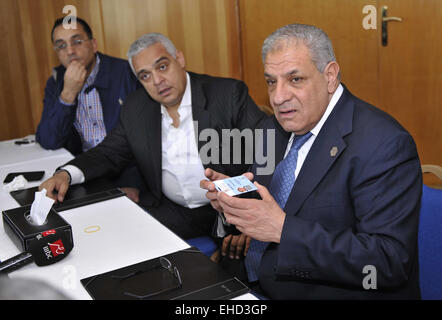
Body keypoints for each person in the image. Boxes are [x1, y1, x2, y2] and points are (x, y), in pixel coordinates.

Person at [201, 23, 422, 299]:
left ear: (330, 76)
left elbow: (388, 262)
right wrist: (236, 198)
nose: (279, 97)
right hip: (254, 283)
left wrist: (283, 230)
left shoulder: (384, 145)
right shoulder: (273, 129)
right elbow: (274, 205)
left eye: (295, 79)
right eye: (271, 81)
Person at [39, 33, 266, 244]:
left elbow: (269, 154)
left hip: (228, 209)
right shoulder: (136, 108)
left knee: (241, 270)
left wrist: (249, 213)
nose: (157, 81)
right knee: (115, 245)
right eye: (145, 75)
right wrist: (65, 174)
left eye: (163, 67)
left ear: (180, 58)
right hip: (171, 210)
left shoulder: (227, 95)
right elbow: (108, 153)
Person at [36, 16, 143, 201]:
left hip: (128, 174)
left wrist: (134, 184)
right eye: (61, 45)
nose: (70, 51)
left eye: (77, 41)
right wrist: (67, 94)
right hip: (84, 173)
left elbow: (144, 139)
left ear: (93, 44)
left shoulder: (126, 73)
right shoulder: (56, 81)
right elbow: (49, 140)